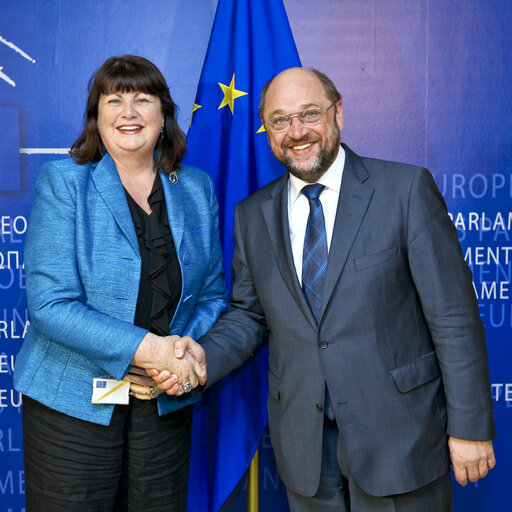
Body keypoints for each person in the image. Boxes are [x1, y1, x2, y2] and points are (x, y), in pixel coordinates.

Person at [154, 67, 497, 511]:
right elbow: (249, 316)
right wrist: (200, 359)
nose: (297, 132)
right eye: (280, 120)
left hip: (400, 438)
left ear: (338, 114)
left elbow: (453, 317)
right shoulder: (252, 214)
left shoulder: (405, 190)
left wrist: (469, 426)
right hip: (305, 447)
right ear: (267, 130)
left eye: (309, 114)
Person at [14, 55, 226, 512]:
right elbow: (51, 304)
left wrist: (181, 356)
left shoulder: (195, 188)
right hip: (71, 406)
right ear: (97, 116)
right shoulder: (65, 182)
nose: (128, 113)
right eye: (114, 100)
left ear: (164, 115)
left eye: (142, 100)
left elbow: (211, 295)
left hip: (163, 403)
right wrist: (151, 350)